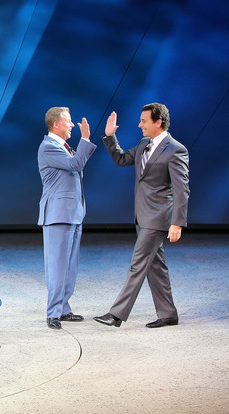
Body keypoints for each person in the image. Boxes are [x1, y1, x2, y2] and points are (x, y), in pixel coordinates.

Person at [94, 103, 190, 328]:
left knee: (138, 265)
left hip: (158, 218)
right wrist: (110, 136)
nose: (139, 125)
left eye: (144, 121)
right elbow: (120, 159)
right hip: (142, 216)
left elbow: (181, 189)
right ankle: (168, 314)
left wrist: (177, 222)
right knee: (155, 266)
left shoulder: (176, 149)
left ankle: (116, 315)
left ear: (158, 122)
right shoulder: (144, 144)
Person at [38, 107, 96, 329]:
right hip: (57, 215)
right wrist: (86, 139)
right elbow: (75, 165)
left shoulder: (63, 147)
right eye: (69, 121)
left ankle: (63, 308)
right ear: (56, 124)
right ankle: (53, 311)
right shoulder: (48, 147)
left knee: (70, 266)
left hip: (73, 214)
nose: (72, 125)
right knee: (56, 266)